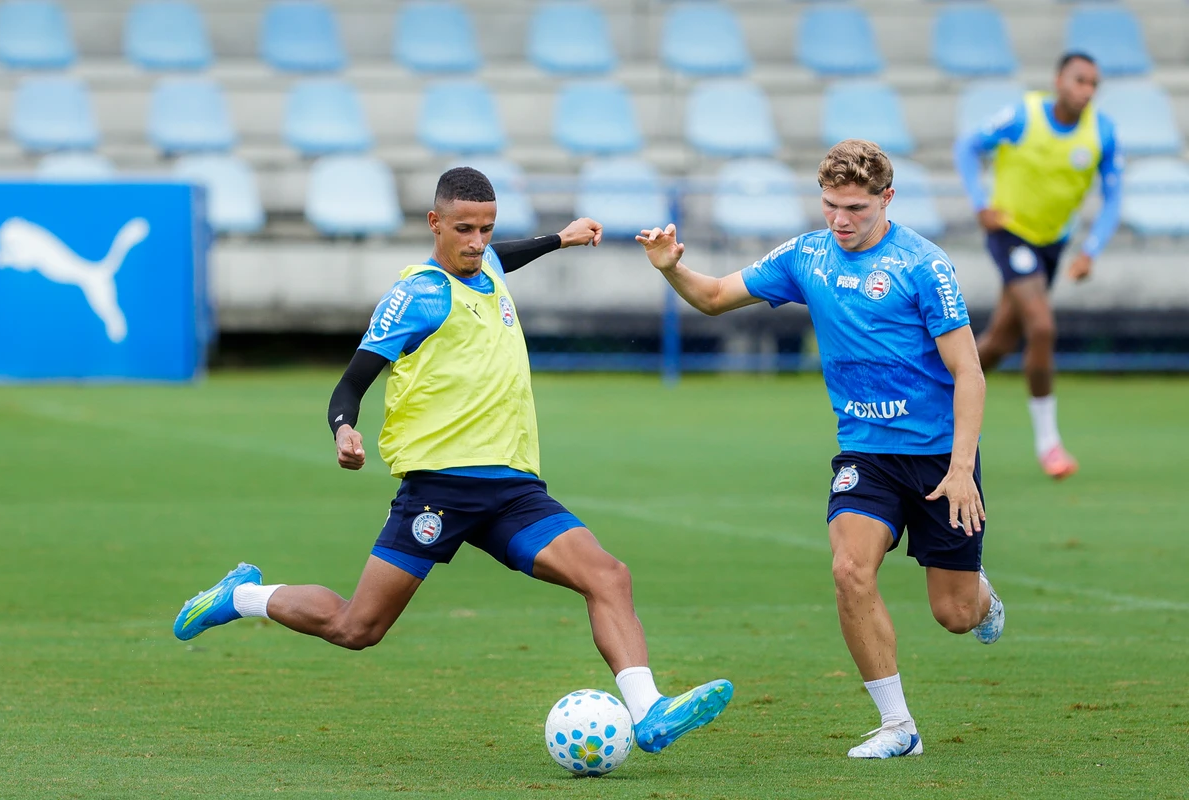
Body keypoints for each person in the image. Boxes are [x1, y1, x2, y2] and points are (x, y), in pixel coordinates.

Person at [173, 167, 733, 753]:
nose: (476, 242)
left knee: (608, 575)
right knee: (356, 627)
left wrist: (560, 238)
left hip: (512, 489)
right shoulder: (415, 295)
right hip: (439, 490)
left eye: (487, 229)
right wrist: (344, 431)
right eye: (463, 228)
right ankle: (241, 595)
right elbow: (350, 383)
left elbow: (501, 258)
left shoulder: (487, 264)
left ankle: (648, 713)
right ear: (434, 223)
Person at [636, 140, 1005, 759]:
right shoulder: (808, 255)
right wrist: (672, 266)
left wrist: (963, 468)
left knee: (956, 614)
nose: (840, 219)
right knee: (848, 570)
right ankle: (898, 727)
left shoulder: (924, 265)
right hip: (865, 454)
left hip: (941, 458)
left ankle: (983, 595)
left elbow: (970, 373)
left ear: (887, 199)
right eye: (831, 204)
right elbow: (714, 296)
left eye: (856, 208)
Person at [954, 52, 1123, 479]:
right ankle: (1049, 444)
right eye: (1079, 80)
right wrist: (980, 204)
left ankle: (930, 391)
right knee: (1042, 327)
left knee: (999, 342)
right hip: (1010, 232)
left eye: (1092, 84)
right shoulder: (1023, 116)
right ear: (1058, 80)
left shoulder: (1101, 133)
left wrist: (1091, 250)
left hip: (1052, 244)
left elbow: (1113, 198)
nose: (1085, 90)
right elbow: (967, 147)